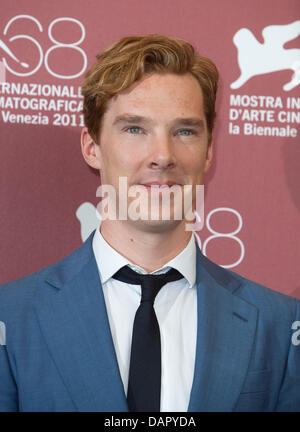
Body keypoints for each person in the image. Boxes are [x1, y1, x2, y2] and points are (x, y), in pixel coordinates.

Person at [0, 34, 299, 412]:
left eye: (184, 131)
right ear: (92, 147)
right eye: (135, 129)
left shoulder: (281, 325)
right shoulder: (10, 318)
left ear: (208, 151)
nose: (162, 156)